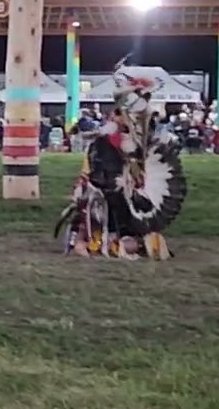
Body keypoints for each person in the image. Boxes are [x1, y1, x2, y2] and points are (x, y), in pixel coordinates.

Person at [56, 59, 187, 259]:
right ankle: (97, 239)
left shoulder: (141, 134)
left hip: (131, 196)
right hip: (107, 193)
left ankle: (120, 240)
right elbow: (93, 173)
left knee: (124, 225)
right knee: (98, 212)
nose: (122, 118)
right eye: (119, 114)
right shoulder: (105, 140)